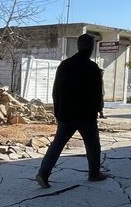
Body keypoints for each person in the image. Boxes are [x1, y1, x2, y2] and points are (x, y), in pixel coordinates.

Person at [35, 33, 108, 188]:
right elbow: (97, 93)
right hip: (86, 115)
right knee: (93, 145)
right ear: (91, 48)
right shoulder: (92, 68)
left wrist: (57, 112)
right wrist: (99, 110)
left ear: (78, 46)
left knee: (57, 144)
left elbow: (56, 91)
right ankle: (94, 173)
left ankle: (43, 173)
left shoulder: (65, 65)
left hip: (66, 114)